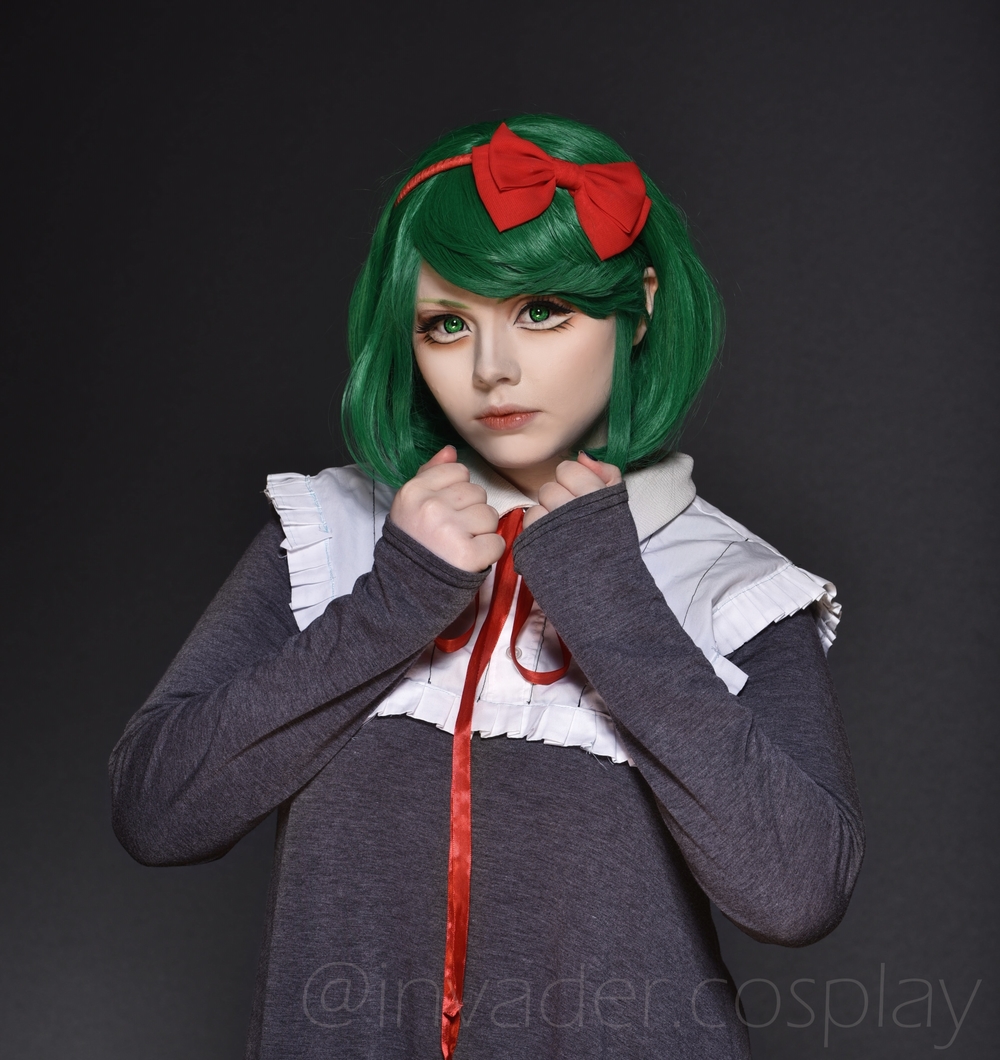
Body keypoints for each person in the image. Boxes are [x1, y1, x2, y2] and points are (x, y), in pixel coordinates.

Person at [109, 115, 864, 1060]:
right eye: (447, 324)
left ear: (638, 308)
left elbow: (797, 895)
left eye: (542, 311)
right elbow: (157, 813)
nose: (491, 369)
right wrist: (392, 602)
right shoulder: (326, 537)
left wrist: (613, 601)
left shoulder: (728, 581)